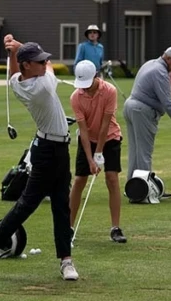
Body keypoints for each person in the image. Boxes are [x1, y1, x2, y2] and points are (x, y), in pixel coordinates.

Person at [0, 34, 79, 281]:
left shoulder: (19, 82)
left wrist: (13, 52)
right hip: (47, 152)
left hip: (57, 150)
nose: (45, 64)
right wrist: (18, 47)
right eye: (39, 61)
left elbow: (13, 75)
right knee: (26, 205)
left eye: (44, 61)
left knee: (61, 206)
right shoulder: (41, 86)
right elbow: (50, 70)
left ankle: (66, 260)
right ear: (28, 66)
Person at [69, 60, 127, 244]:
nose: (84, 89)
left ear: (96, 77)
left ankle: (115, 228)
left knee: (112, 178)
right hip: (88, 140)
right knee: (79, 180)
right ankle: (68, 228)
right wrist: (90, 158)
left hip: (110, 137)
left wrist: (99, 153)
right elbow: (83, 131)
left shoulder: (110, 91)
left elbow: (104, 125)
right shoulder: (76, 97)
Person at [123, 46, 171, 199]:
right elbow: (167, 103)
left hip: (131, 106)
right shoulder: (160, 72)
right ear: (168, 59)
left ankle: (133, 187)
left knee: (135, 151)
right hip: (142, 110)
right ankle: (144, 191)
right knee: (144, 153)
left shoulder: (150, 63)